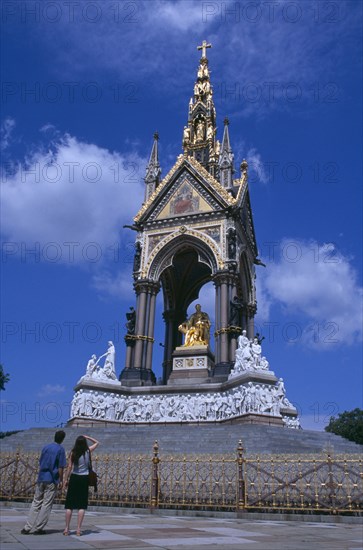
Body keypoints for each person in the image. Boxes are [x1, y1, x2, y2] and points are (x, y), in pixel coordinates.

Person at [21, 430, 66, 535]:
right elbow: (60, 467)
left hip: (41, 477)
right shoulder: (60, 449)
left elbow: (41, 461)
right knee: (46, 504)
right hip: (51, 479)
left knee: (36, 502)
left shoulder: (46, 447)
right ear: (62, 439)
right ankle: (39, 527)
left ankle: (27, 527)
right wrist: (61, 480)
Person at [63, 434, 99, 536]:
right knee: (81, 505)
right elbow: (97, 443)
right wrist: (87, 437)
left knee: (69, 505)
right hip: (84, 478)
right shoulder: (87, 451)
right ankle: (78, 529)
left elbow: (69, 467)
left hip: (74, 478)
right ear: (84, 443)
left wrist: (66, 480)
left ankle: (66, 529)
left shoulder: (73, 453)